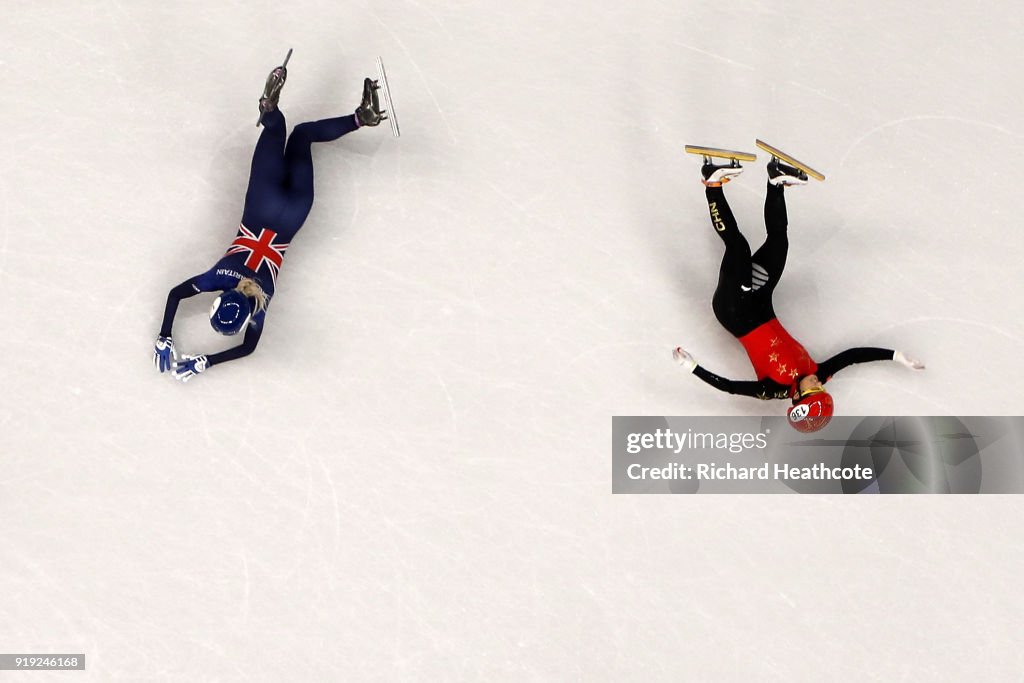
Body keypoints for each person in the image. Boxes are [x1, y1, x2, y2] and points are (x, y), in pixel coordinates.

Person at [153, 58, 387, 382]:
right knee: (280, 129)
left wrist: (206, 361)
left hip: (294, 213)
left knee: (304, 137)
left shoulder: (261, 306)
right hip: (261, 204)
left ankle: (363, 117)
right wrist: (164, 335)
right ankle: (269, 107)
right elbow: (176, 294)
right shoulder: (216, 277)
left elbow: (248, 347)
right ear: (221, 297)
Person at [673, 156, 924, 431]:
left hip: (734, 309)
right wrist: (897, 356)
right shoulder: (818, 373)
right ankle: (775, 180)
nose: (819, 385)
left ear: (799, 397)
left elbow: (731, 388)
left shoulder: (773, 390)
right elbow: (853, 356)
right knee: (779, 242)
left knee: (738, 247)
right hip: (759, 302)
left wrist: (693, 367)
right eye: (820, 389)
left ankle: (711, 181)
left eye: (814, 390)